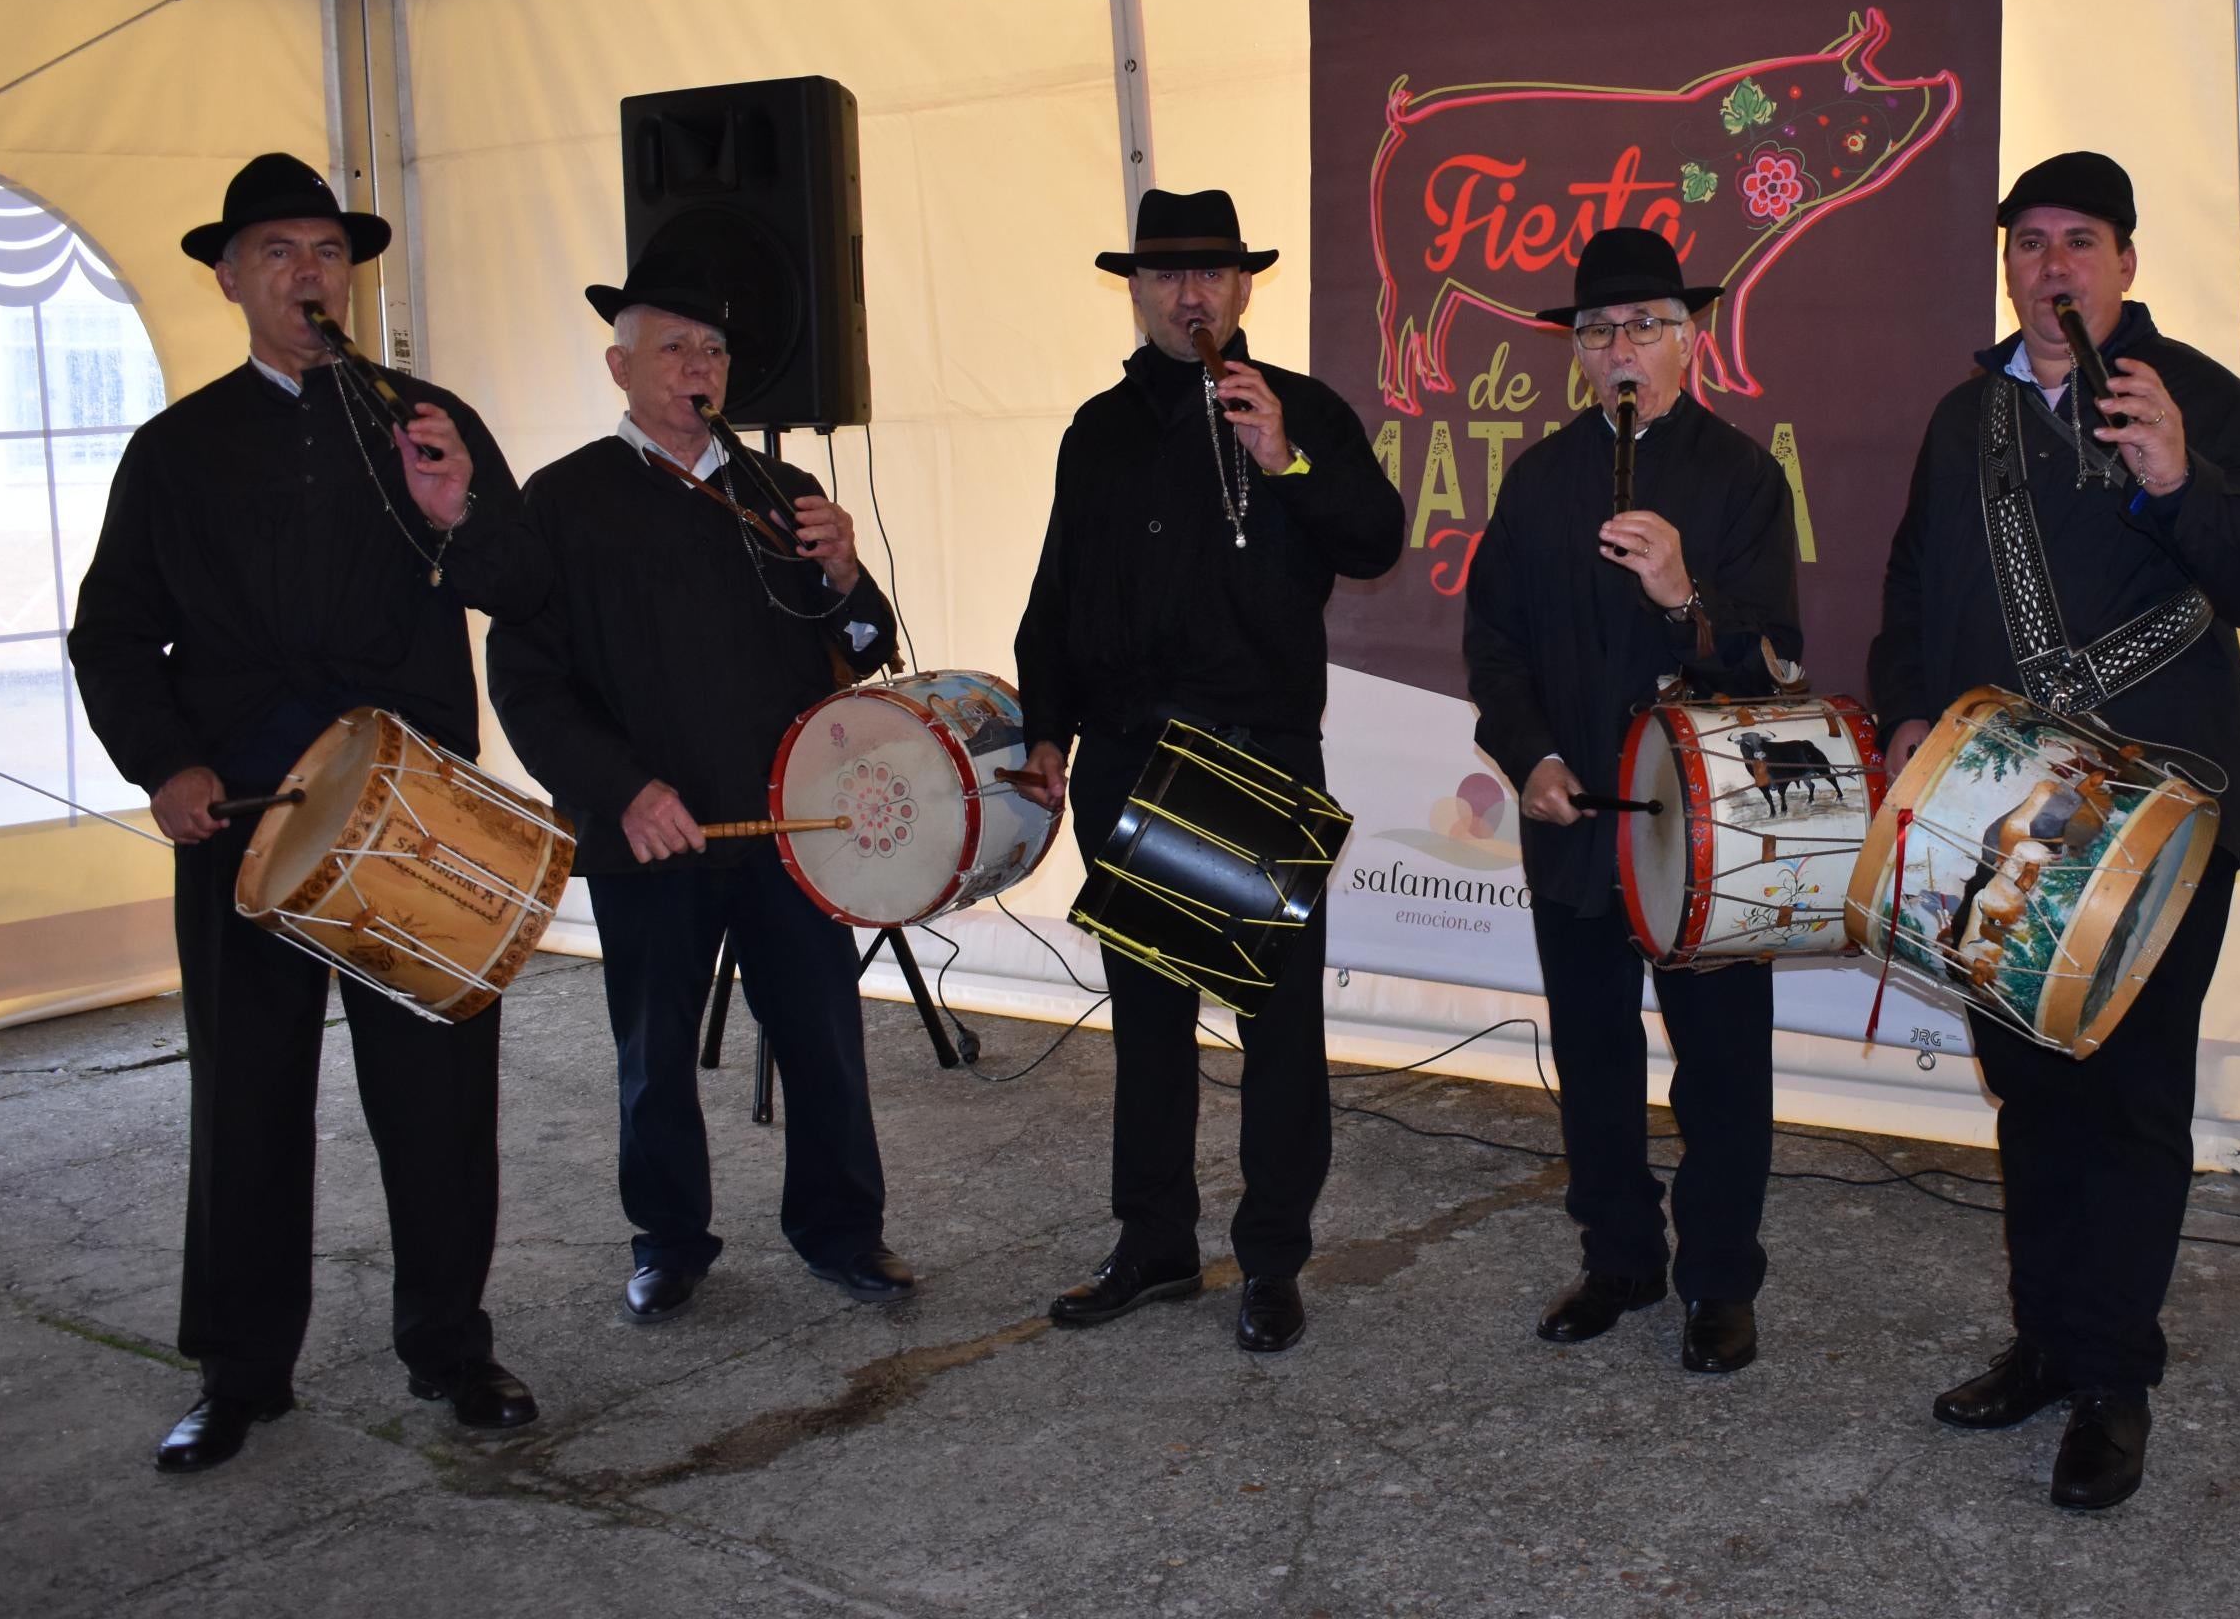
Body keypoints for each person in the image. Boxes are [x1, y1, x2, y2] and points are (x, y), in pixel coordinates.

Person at [69, 153, 553, 1472]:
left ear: (355, 275)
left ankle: (450, 1344)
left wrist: (460, 513)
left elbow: (523, 584)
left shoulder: (421, 416)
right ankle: (242, 1373)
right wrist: (162, 764)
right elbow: (110, 635)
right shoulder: (175, 451)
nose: (307, 275)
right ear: (230, 278)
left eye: (328, 252)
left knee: (440, 1092)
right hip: (247, 827)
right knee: (249, 1101)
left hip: (416, 820)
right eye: (277, 252)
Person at [1868, 149, 2240, 1508]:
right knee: (2030, 1083)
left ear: (2126, 263)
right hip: (1994, 802)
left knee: (2128, 1098)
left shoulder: (2203, 402)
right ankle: (2052, 1342)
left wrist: (2180, 478)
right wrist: (1900, 713)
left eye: (2079, 242)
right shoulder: (1965, 417)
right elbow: (1909, 577)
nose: (2051, 266)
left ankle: (2114, 1378)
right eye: (2029, 243)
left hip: (2153, 814)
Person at [487, 243, 911, 1325]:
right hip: (654, 831)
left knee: (821, 1032)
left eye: (714, 348)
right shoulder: (564, 500)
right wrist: (623, 790)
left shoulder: (783, 490)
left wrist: (848, 576)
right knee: (654, 1051)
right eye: (673, 345)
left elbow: (863, 651)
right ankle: (669, 1239)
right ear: (619, 366)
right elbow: (527, 685)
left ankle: (842, 1230)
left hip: (783, 825)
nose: (699, 365)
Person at [1011, 187, 1401, 1353]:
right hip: (1129, 755)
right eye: (1166, 277)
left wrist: (1285, 457)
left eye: (1211, 276)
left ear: (1242, 291)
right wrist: (1047, 725)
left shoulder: (1302, 409)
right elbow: (1059, 591)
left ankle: (1273, 1256)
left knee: (1277, 1022)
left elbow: (1375, 538)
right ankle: (1156, 1243)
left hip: (1252, 752)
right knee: (1146, 1017)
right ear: (1136, 292)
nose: (1190, 295)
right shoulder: (1098, 427)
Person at [1461, 226, 1801, 1375]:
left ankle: (1718, 1277)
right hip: (1573, 815)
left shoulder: (1743, 476)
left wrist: (1680, 592)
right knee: (1594, 1053)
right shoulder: (1540, 478)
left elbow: (1770, 662)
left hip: (1706, 828)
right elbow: (1494, 644)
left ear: (1689, 341)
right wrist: (1530, 756)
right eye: (1599, 330)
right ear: (1577, 353)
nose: (1621, 348)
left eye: (1645, 326)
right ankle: (1618, 1256)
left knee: (1720, 1062)